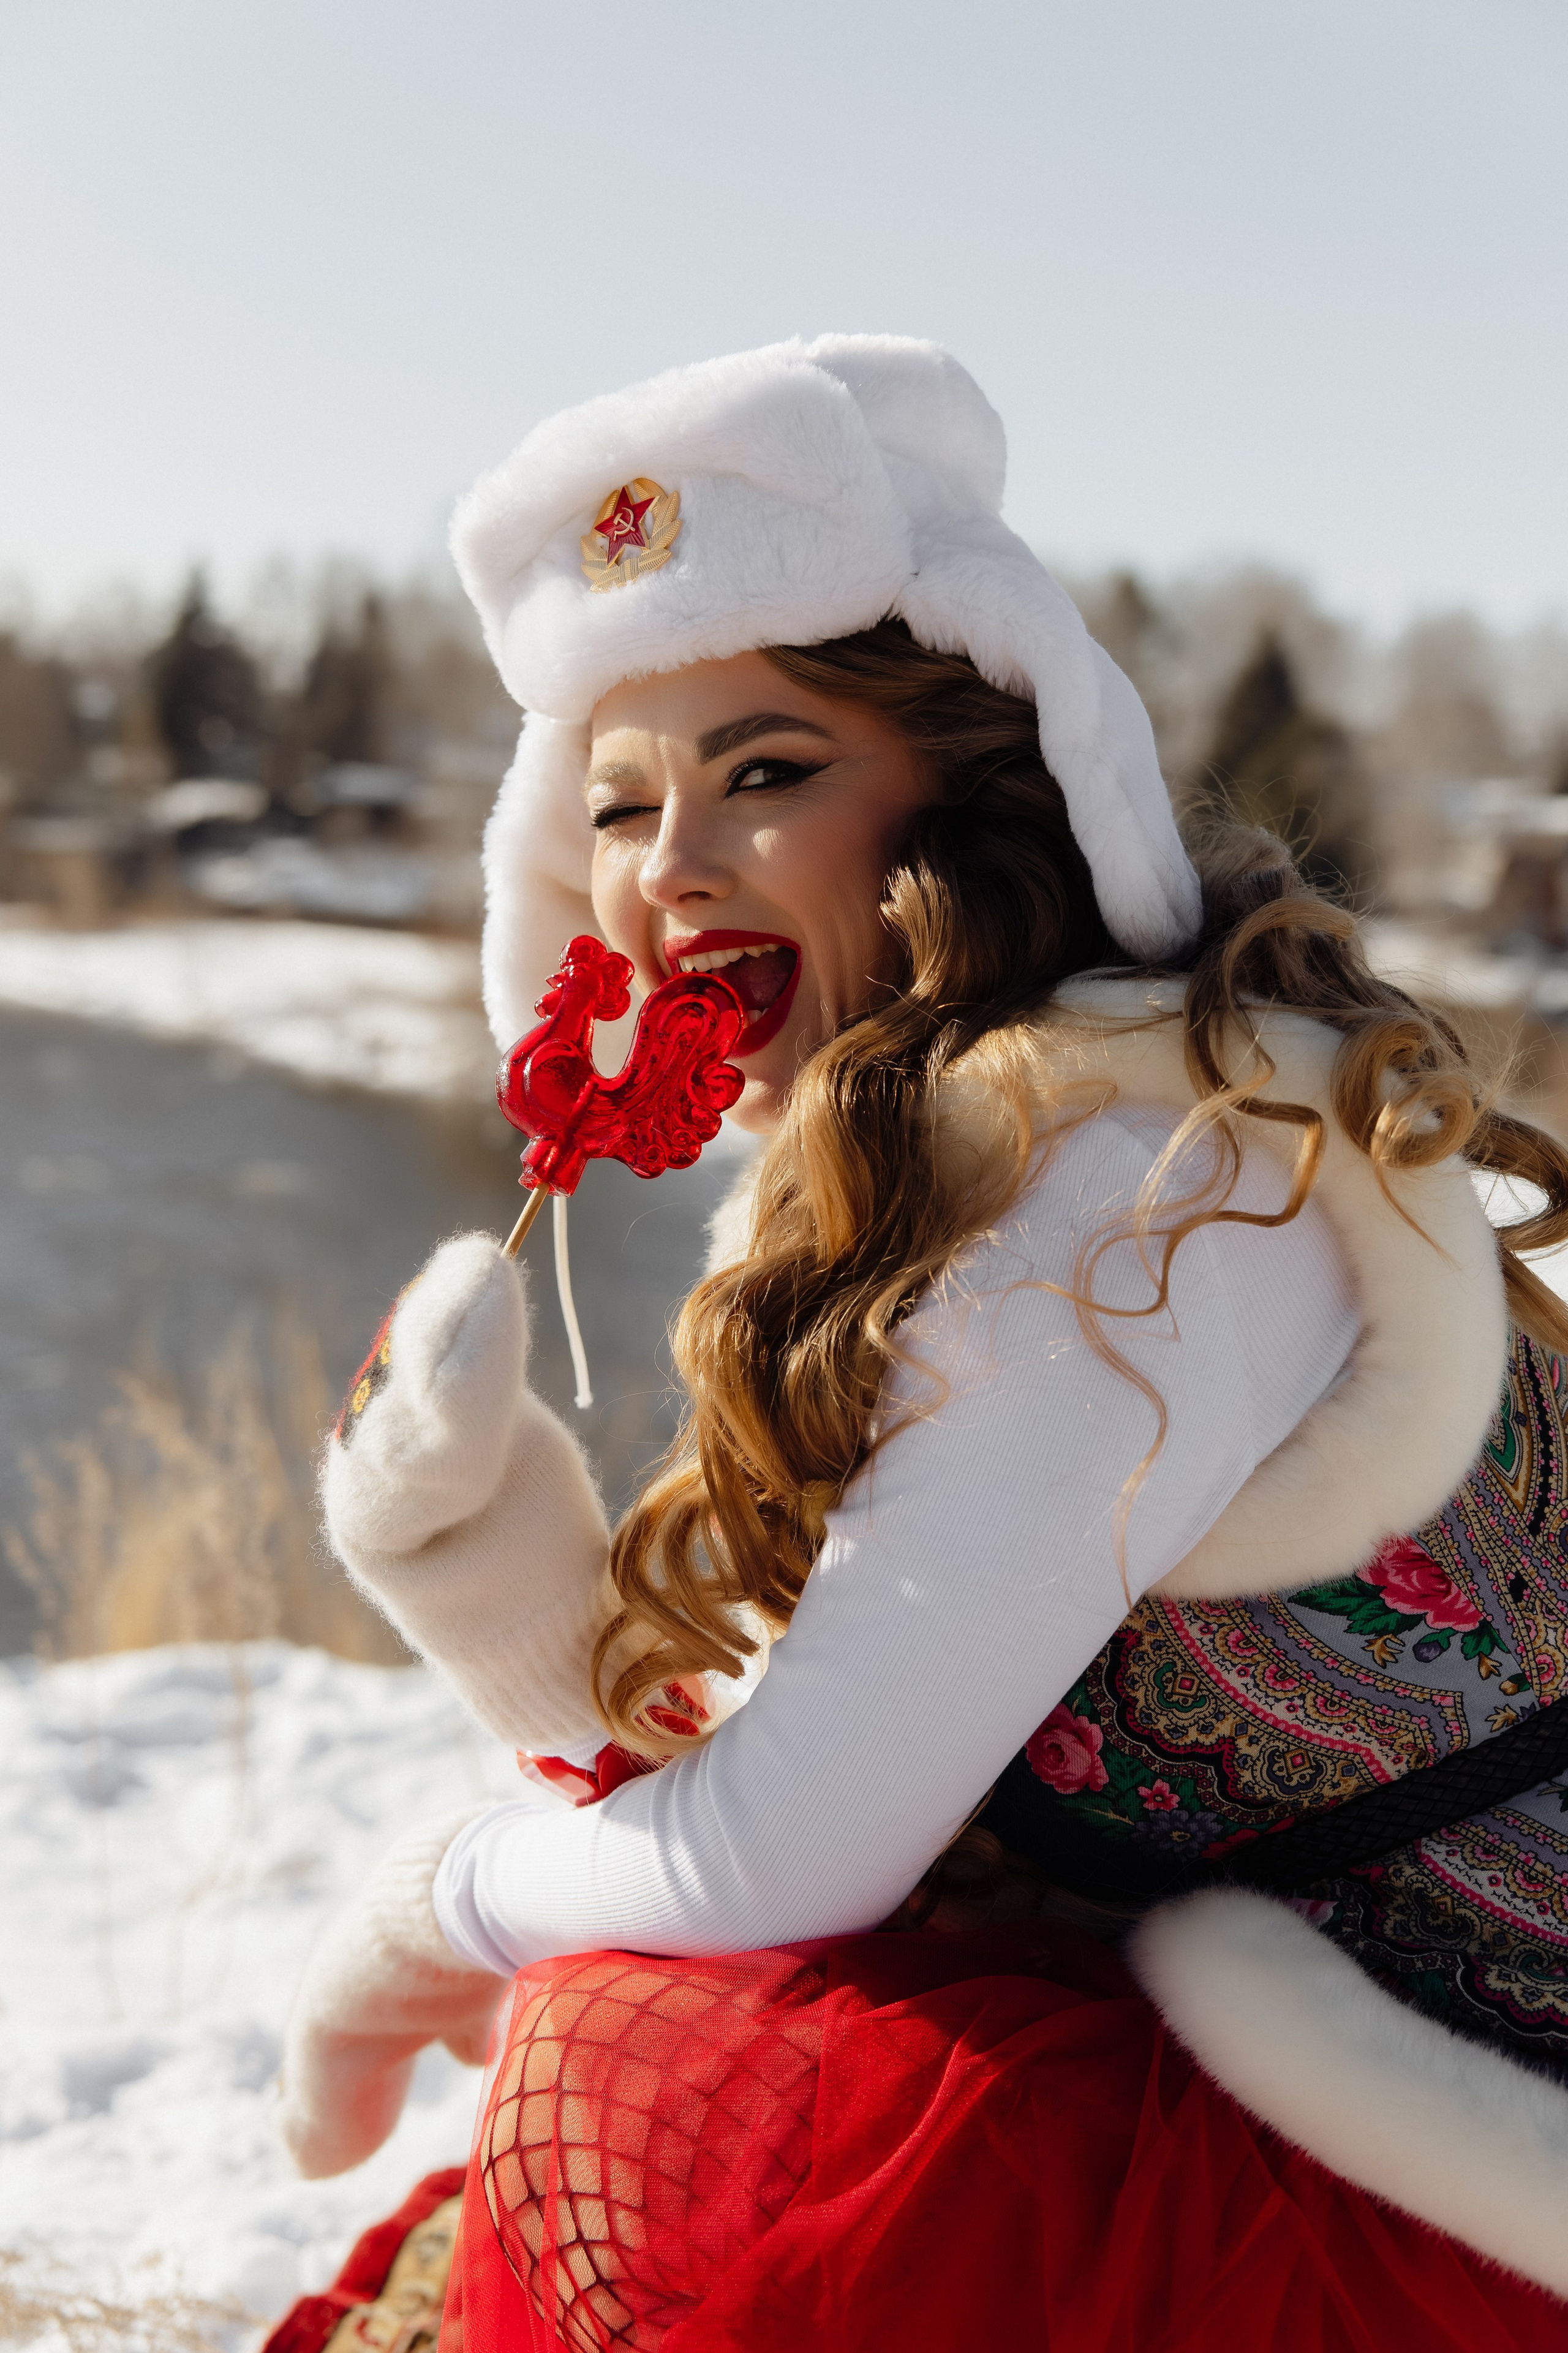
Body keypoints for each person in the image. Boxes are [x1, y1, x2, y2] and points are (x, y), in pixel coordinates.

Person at [275, 339, 1568, 2353]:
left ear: (974, 804)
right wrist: (486, 1567)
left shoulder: (1132, 1200)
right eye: (620, 805)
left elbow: (790, 1855)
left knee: (643, 2072)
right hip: (1304, 2023)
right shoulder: (971, 1149)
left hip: (1475, 2151)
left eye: (766, 771)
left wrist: (424, 1907)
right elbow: (865, 1775)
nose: (670, 866)